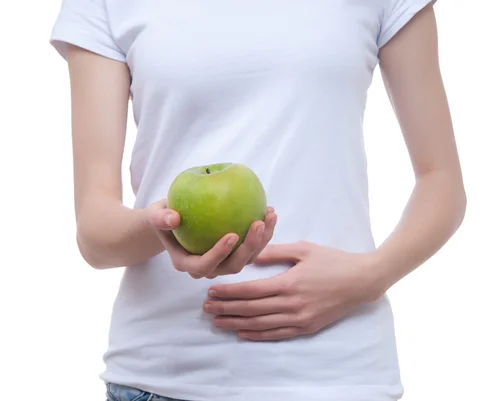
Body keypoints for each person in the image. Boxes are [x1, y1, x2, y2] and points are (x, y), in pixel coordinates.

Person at [49, 0, 466, 400]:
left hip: (337, 372)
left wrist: (370, 277)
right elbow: (96, 232)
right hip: (165, 375)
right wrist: (163, 228)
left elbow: (441, 181)